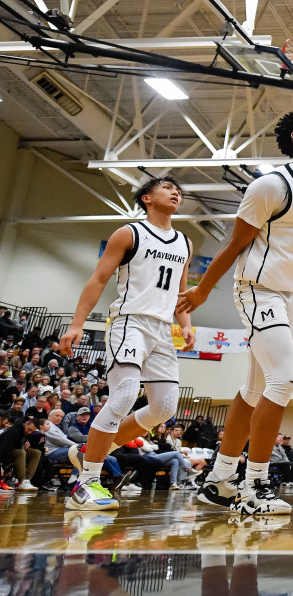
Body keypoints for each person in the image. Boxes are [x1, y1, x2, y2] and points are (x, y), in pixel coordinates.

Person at [180, 108, 293, 517]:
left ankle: (218, 480)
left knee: (254, 391)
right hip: (257, 290)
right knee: (284, 379)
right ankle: (255, 485)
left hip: (289, 297)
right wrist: (202, 290)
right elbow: (234, 245)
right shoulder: (271, 185)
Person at [59, 176, 195, 511]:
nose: (176, 192)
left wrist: (187, 325)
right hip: (130, 322)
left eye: (179, 190)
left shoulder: (184, 243)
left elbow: (180, 292)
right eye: (167, 188)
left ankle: (89, 452)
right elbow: (99, 278)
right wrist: (77, 323)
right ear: (147, 198)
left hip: (164, 330)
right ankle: (86, 482)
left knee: (165, 408)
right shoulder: (129, 233)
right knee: (124, 394)